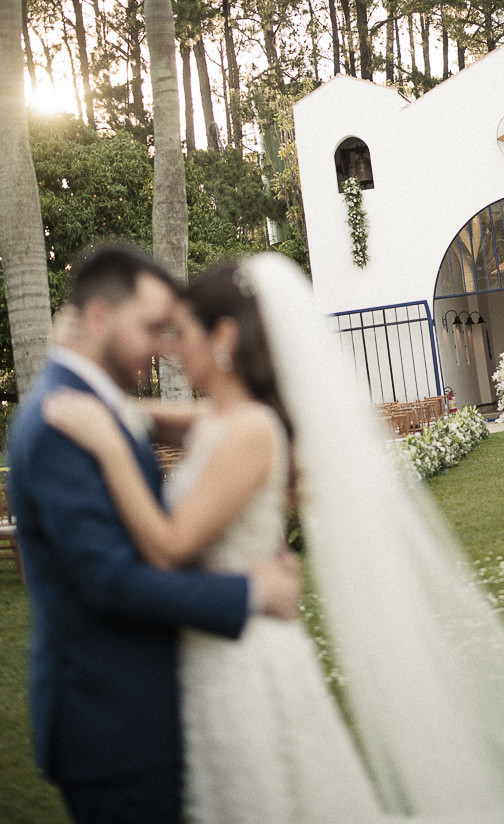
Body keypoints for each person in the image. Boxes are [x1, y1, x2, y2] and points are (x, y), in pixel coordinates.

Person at [45, 252, 504, 824]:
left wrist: (108, 444)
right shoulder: (227, 421)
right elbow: (201, 422)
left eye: (180, 333)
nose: (168, 349)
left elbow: (173, 544)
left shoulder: (248, 431)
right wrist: (122, 404)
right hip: (218, 648)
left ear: (223, 338)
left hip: (245, 660)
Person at [8, 244, 300, 824]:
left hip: (153, 704)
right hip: (111, 722)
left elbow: (231, 424)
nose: (163, 345)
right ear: (99, 318)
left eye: (174, 330)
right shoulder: (61, 424)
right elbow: (112, 581)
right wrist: (252, 592)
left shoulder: (98, 405)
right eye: (151, 328)